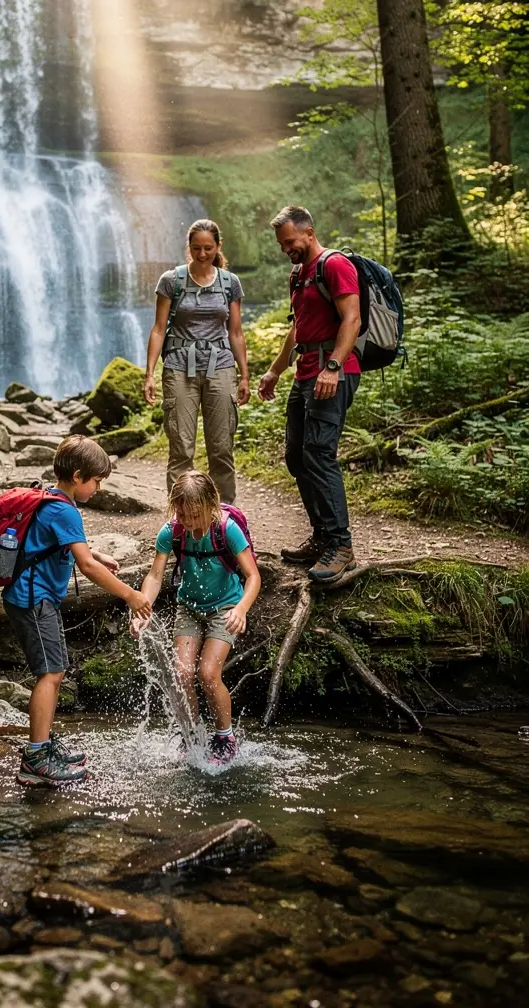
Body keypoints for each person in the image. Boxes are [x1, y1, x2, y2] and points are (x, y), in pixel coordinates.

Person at [3, 435, 151, 787]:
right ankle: (36, 759)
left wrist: (96, 553)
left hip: (33, 598)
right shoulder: (63, 508)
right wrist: (130, 595)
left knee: (56, 671)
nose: (98, 489)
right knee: (51, 674)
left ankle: (44, 744)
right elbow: (85, 566)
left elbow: (60, 545)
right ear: (79, 475)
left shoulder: (53, 499)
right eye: (97, 481)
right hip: (33, 600)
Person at [257, 205, 361, 584]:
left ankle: (341, 546)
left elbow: (352, 318)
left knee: (318, 454)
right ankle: (321, 538)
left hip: (333, 372)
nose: (287, 249)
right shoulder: (299, 274)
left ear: (309, 232)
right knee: (296, 457)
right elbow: (297, 328)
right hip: (305, 374)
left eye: (290, 242)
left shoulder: (334, 265)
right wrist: (274, 370)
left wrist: (333, 366)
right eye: (282, 244)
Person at [131, 470, 261, 763]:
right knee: (182, 673)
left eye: (194, 515)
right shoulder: (172, 531)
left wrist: (241, 609)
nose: (187, 522)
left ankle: (224, 736)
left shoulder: (227, 530)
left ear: (211, 506)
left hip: (225, 608)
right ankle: (190, 733)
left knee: (207, 673)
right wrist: (142, 607)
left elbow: (253, 576)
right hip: (188, 608)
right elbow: (154, 576)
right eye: (182, 514)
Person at [144, 219, 250, 503]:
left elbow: (236, 332)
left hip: (221, 366)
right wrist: (149, 374)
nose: (202, 254)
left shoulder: (230, 283)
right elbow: (158, 328)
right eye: (196, 248)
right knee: (181, 448)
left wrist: (245, 376)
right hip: (179, 366)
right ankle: (181, 519)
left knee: (222, 447)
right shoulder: (171, 281)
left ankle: (226, 516)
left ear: (218, 247)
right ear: (188, 247)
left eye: (208, 248)